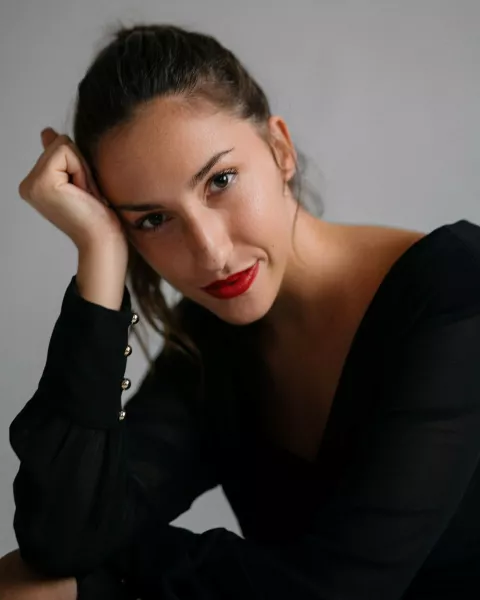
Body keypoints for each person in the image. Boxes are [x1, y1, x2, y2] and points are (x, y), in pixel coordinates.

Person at [4, 21, 480, 600]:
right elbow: (59, 539)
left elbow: (341, 589)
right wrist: (100, 256)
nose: (210, 252)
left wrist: (109, 558)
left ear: (280, 149)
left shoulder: (455, 294)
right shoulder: (215, 337)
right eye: (153, 219)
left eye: (220, 180)